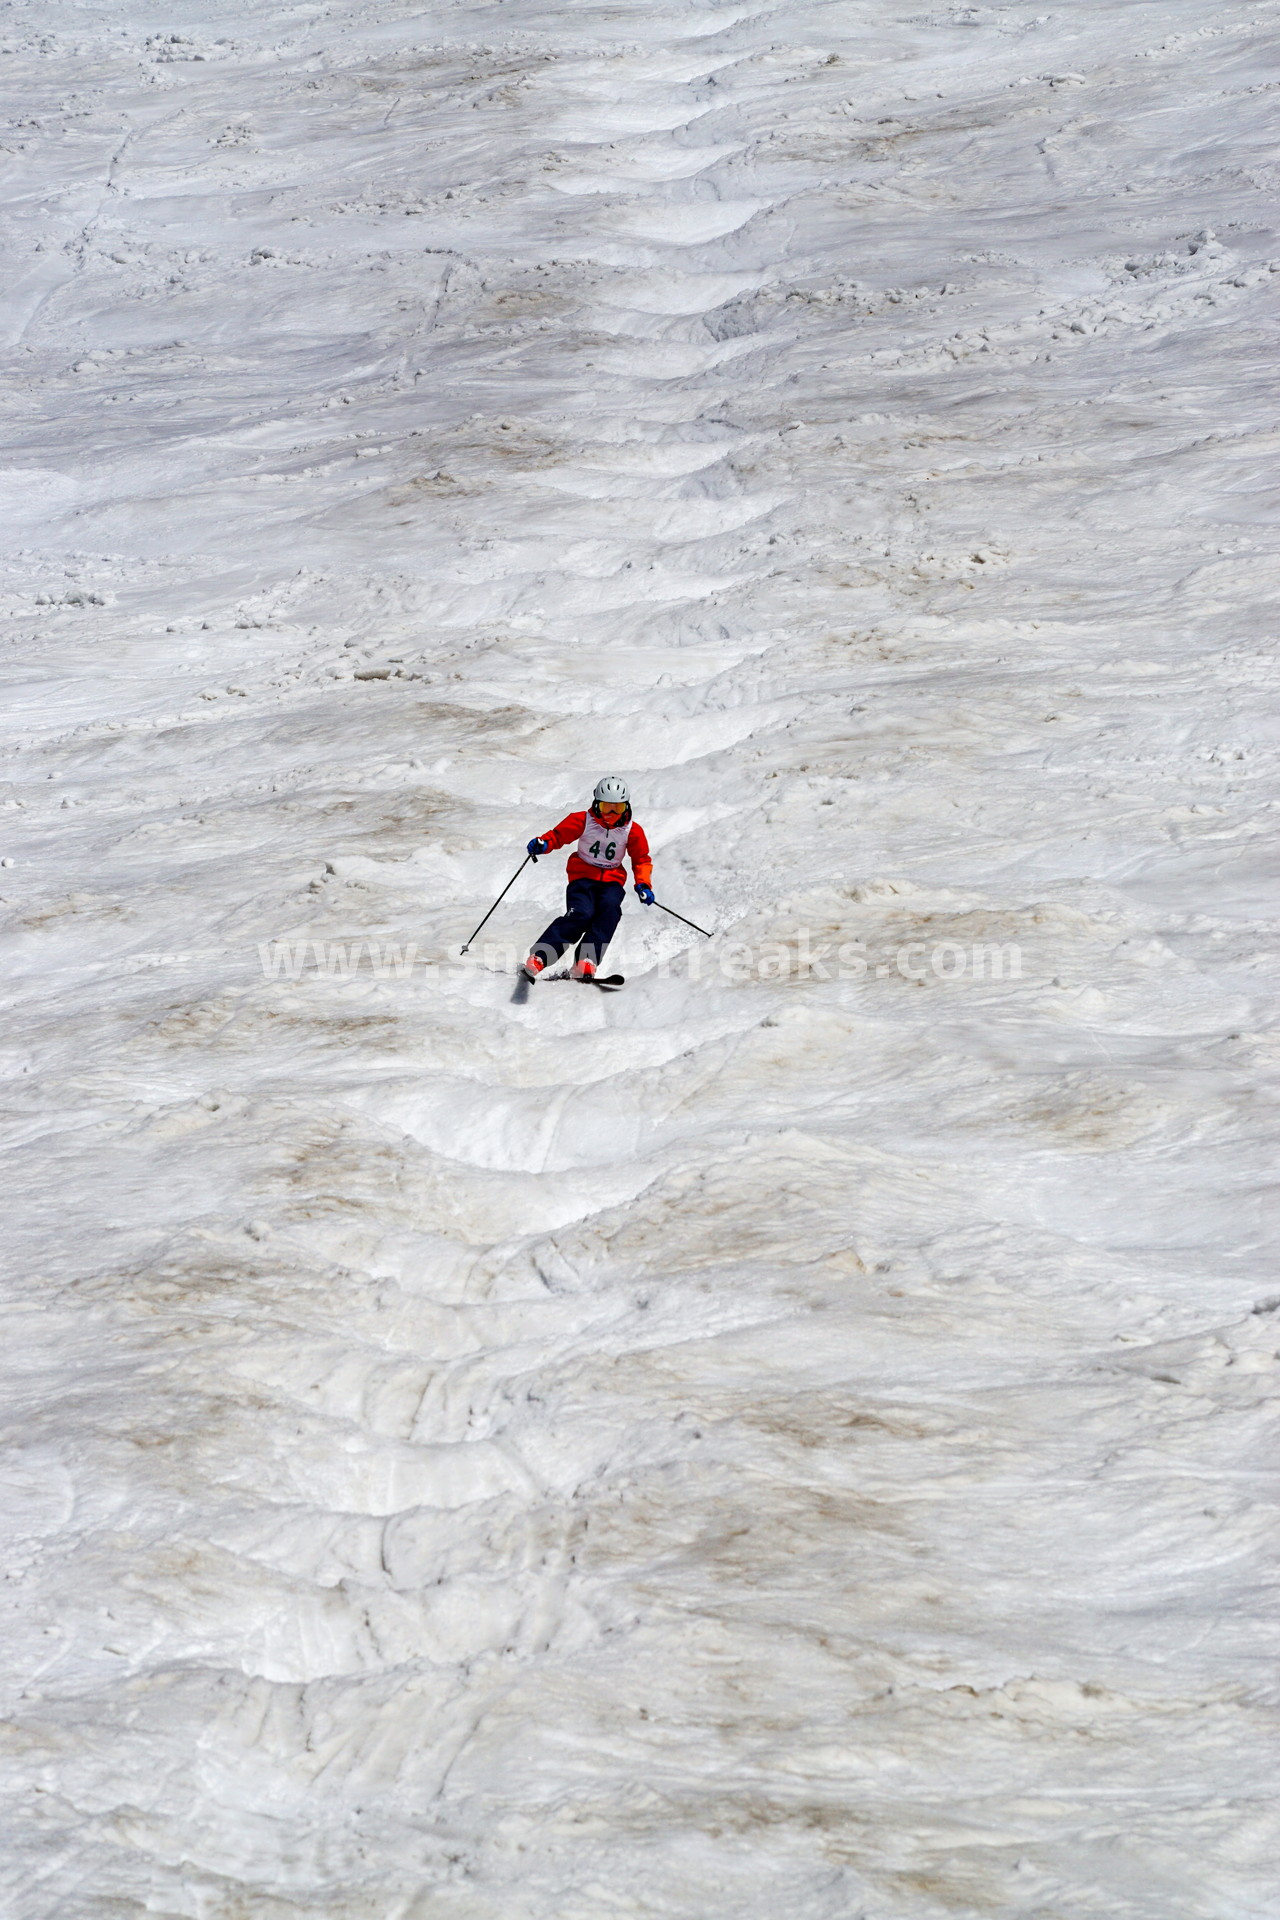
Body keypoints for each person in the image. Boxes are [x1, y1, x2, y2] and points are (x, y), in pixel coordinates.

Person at [522, 775, 654, 981]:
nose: (610, 814)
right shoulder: (583, 820)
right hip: (582, 877)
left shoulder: (632, 831)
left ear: (626, 807)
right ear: (596, 804)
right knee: (581, 914)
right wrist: (543, 844)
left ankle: (586, 961)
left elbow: (641, 860)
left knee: (610, 910)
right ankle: (540, 957)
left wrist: (643, 884)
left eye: (617, 808)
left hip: (612, 881)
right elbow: (557, 836)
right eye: (605, 807)